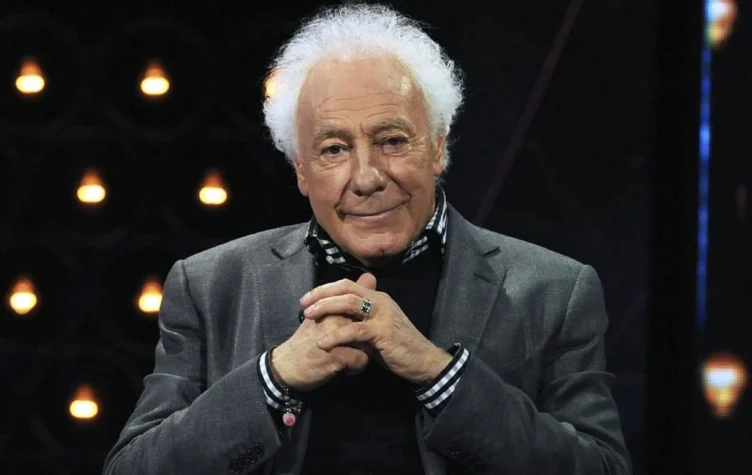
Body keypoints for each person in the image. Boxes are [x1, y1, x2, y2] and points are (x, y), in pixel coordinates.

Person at [103, 4, 630, 475]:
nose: (367, 177)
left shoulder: (554, 290)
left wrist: (436, 371)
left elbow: (601, 467)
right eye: (334, 149)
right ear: (301, 170)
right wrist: (274, 376)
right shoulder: (210, 285)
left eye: (393, 140)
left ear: (439, 147)